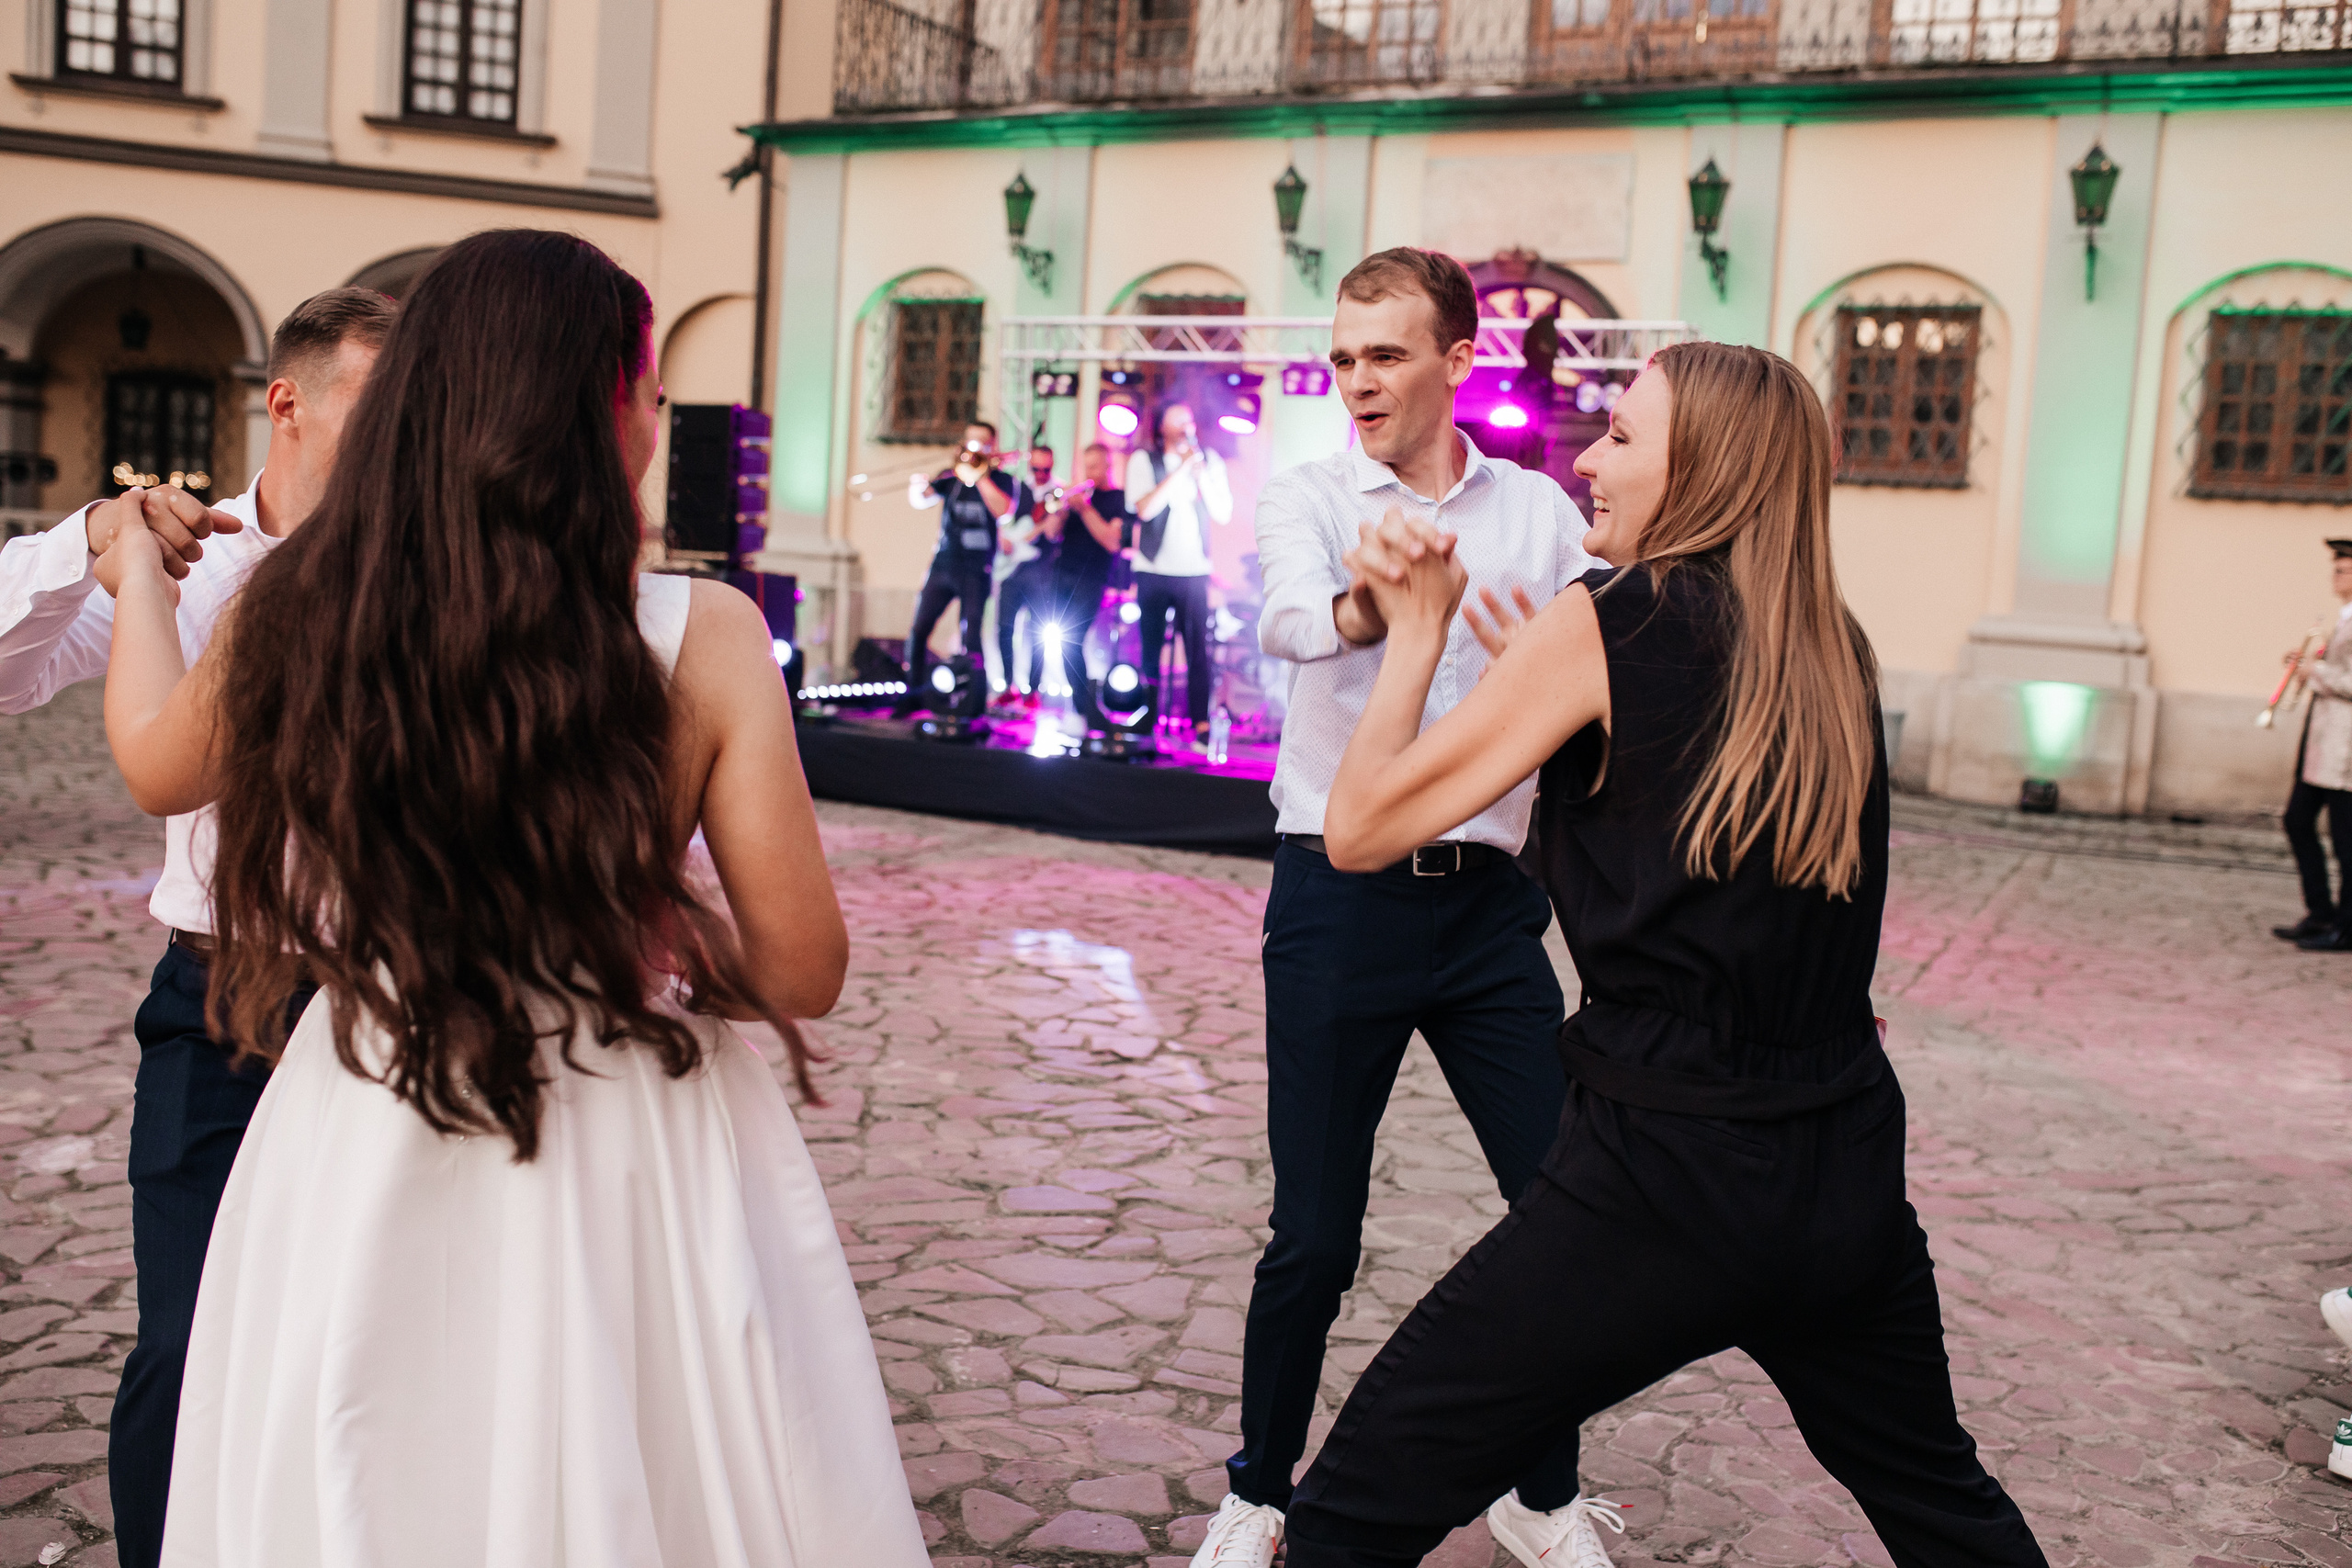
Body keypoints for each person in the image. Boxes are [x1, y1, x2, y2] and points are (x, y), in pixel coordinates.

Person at [92, 230, 928, 1564]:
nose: (657, 420)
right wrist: (654, 934)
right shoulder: (702, 634)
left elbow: (151, 758)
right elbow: (803, 963)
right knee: (624, 1430)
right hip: (617, 1102)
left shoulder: (303, 602)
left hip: (364, 1083)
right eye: (650, 391)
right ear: (601, 407)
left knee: (368, 1429)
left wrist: (139, 576)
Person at [1272, 342, 2047, 1568]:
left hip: (1660, 1179)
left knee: (1351, 1505)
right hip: (1838, 1165)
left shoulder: (1609, 623)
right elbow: (1684, 855)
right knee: (1946, 1508)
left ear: (1712, 472)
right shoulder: (1826, 645)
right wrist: (1565, 703)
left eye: (1623, 437)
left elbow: (1359, 825)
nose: (1588, 458)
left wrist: (1418, 630)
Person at [1191, 248, 1597, 1568]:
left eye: (1386, 353)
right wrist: (1385, 596)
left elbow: (1595, 649)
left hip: (1489, 909)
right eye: (1345, 354)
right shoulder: (1311, 494)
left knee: (1563, 1207)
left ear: (1456, 360)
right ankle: (1261, 1489)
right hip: (1338, 893)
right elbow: (1299, 624)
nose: (1357, 378)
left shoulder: (1538, 510)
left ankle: (1539, 1497)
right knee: (1314, 1231)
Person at [0, 285, 395, 1568]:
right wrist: (93, 542)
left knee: (383, 1343)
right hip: (225, 1002)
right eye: (374, 409)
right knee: (190, 1343)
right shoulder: (191, 564)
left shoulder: (445, 572)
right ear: (286, 400)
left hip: (403, 1012)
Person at [1126, 402, 1232, 742]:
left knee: (1198, 649)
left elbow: (1223, 513)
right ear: (1161, 427)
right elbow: (1144, 509)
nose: (1185, 424)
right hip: (1153, 568)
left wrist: (1201, 476)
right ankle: (1147, 716)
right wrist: (1180, 471)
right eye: (1176, 418)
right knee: (1150, 646)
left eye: (1188, 418)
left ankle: (1199, 723)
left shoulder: (1209, 461)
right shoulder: (1145, 460)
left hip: (1194, 570)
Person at [894, 421, 1013, 715]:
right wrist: (917, 484)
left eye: (982, 444)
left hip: (976, 569)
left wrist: (980, 474)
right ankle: (914, 694)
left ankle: (971, 702)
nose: (974, 448)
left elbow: (1003, 510)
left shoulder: (1002, 479)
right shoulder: (951, 476)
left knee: (971, 636)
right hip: (944, 564)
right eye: (970, 442)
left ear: (992, 447)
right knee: (919, 630)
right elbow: (920, 499)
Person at [2273, 537, 2352, 952]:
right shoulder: (2343, 619)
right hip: (2324, 741)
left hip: (2346, 751)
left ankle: (2346, 925)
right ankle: (2320, 912)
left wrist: (2314, 671)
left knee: (2346, 840)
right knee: (2297, 821)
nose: (2335, 574)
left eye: (2343, 568)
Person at [1044, 442, 1130, 733]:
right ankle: (1079, 709)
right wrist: (1062, 510)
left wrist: (1085, 509)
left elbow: (1111, 540)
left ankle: (1084, 710)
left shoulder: (1117, 499)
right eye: (1086, 466)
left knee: (1073, 642)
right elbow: (1050, 533)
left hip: (1092, 579)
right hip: (1060, 576)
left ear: (1108, 467)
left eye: (1095, 466)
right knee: (1060, 643)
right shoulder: (1077, 499)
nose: (1090, 472)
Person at [992, 444, 1062, 708]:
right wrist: (1004, 539)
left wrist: (1052, 519)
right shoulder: (1017, 487)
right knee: (1005, 629)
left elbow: (1054, 534)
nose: (1041, 474)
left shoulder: (1057, 493)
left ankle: (1033, 690)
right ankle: (1008, 683)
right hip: (1012, 568)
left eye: (1046, 469)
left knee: (1037, 632)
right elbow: (1001, 519)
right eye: (1036, 468)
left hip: (1041, 570)